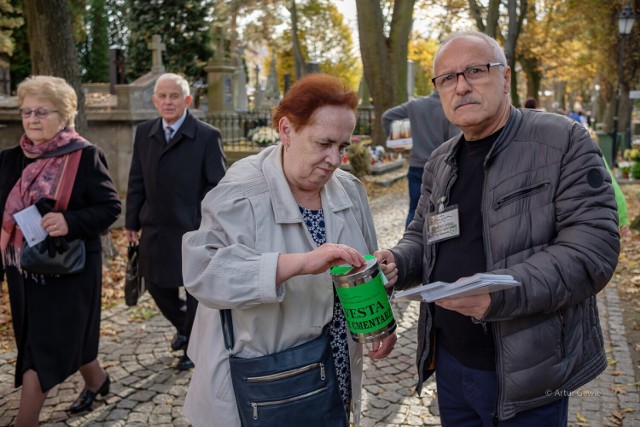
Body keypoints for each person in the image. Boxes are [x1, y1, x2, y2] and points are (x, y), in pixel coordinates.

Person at [375, 31, 620, 425]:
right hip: (452, 366)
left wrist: (500, 292)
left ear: (505, 78)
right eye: (448, 78)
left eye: (475, 70)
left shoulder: (562, 141)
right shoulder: (441, 161)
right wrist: (397, 264)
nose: (462, 86)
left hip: (529, 374)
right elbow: (423, 235)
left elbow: (592, 251)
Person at [181, 73, 397, 426]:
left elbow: (361, 267)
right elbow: (203, 272)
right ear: (285, 130)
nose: (335, 159)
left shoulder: (349, 190)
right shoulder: (241, 192)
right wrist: (296, 264)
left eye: (342, 146)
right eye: (323, 143)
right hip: (267, 381)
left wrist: (379, 317)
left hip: (336, 367)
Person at [0, 75, 121, 425]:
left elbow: (110, 208)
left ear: (65, 115)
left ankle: (26, 420)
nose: (33, 119)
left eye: (42, 111)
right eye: (26, 112)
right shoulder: (9, 160)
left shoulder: (85, 156)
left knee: (43, 343)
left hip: (69, 268)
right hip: (23, 269)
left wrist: (70, 222)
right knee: (48, 336)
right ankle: (97, 380)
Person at [126, 73, 226, 371]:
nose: (168, 101)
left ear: (187, 100)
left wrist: (201, 218)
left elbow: (217, 184)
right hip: (155, 227)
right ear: (155, 100)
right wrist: (131, 221)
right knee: (156, 286)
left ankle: (193, 346)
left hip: (192, 229)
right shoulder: (145, 133)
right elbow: (136, 179)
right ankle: (186, 328)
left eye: (174, 96)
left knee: (193, 291)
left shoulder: (207, 136)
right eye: (162, 96)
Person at [382, 91, 459, 227]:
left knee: (414, 210)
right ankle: (431, 247)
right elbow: (455, 141)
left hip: (416, 166)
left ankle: (408, 246)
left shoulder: (415, 105)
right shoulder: (450, 108)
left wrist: (396, 141)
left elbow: (387, 116)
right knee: (439, 211)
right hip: (440, 169)